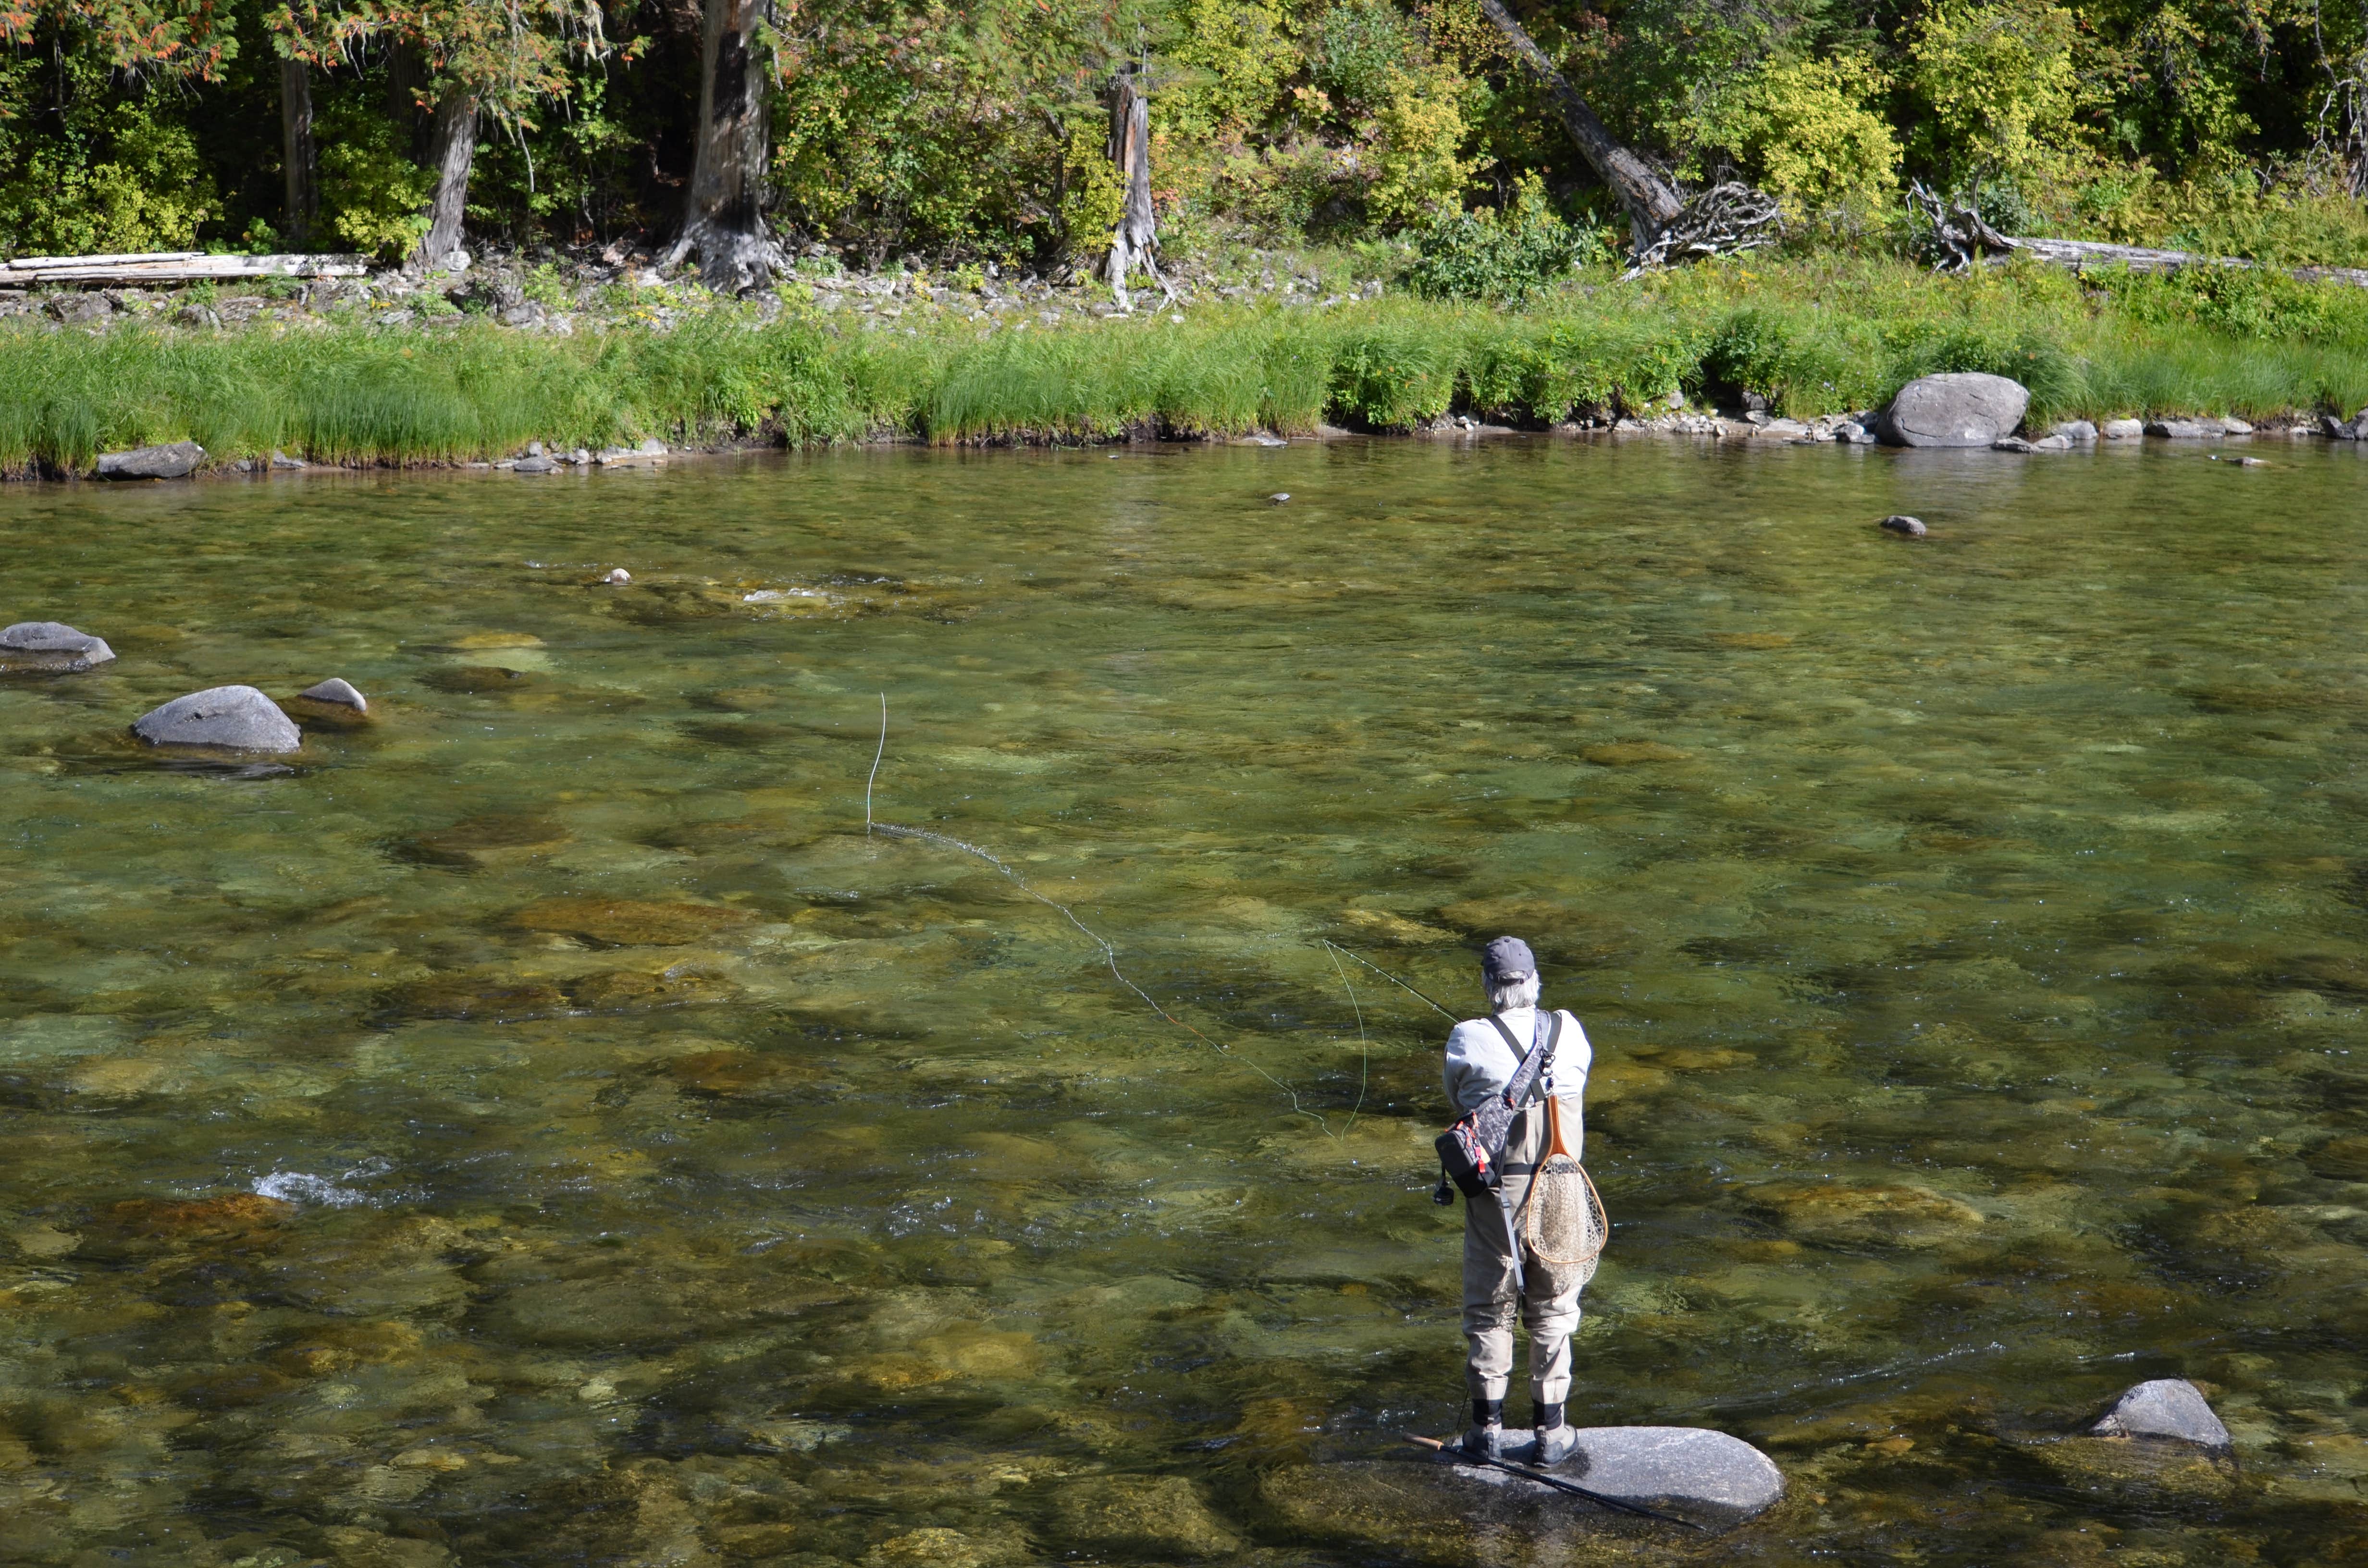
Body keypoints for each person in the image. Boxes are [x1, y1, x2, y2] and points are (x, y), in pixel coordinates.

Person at [1441, 935, 1593, 1465]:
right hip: (1563, 1187)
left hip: (1496, 1191)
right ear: (1534, 983)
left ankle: (1486, 1432)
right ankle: (1551, 1433)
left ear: (1487, 986)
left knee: (1490, 1308)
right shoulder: (1569, 1030)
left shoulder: (1467, 1037)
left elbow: (1459, 1099)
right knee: (1553, 1304)